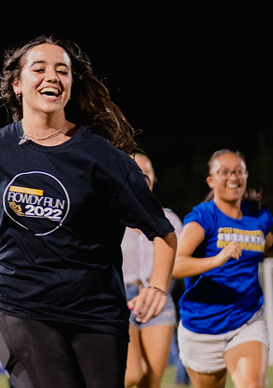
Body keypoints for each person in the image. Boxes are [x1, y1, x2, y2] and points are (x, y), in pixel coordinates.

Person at [0, 36, 178, 387]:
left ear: (71, 85)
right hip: (21, 304)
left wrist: (158, 285)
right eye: (39, 68)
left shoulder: (104, 158)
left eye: (63, 71)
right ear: (17, 84)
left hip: (96, 311)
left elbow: (162, 231)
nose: (52, 76)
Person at [171, 149, 273, 388]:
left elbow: (267, 243)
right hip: (202, 325)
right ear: (211, 180)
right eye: (224, 172)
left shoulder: (258, 216)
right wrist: (216, 260)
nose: (233, 177)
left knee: (252, 384)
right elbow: (176, 265)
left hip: (246, 318)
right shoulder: (203, 217)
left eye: (238, 171)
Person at [121, 152, 181, 388]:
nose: (139, 179)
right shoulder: (108, 217)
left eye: (145, 175)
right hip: (120, 297)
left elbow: (179, 261)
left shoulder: (169, 219)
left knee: (151, 381)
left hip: (157, 298)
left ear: (153, 180)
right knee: (131, 374)